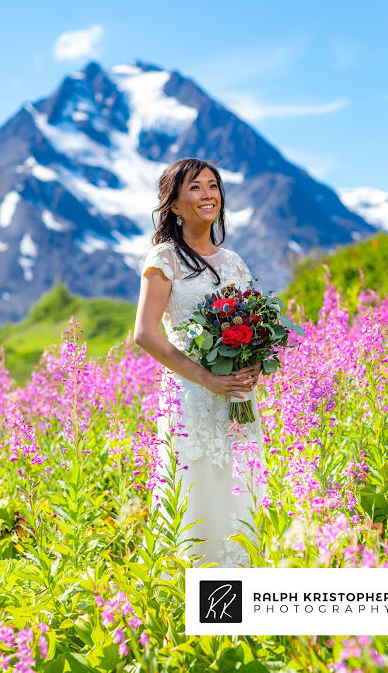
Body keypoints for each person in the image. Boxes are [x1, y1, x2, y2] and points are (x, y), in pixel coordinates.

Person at [134, 158, 266, 567]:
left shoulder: (235, 262)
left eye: (213, 186)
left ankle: (241, 606)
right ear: (173, 204)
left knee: (240, 489)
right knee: (198, 490)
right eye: (194, 187)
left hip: (237, 396)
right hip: (190, 397)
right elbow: (146, 334)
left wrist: (254, 361)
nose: (207, 194)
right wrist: (207, 378)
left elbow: (253, 325)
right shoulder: (164, 258)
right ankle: (193, 605)